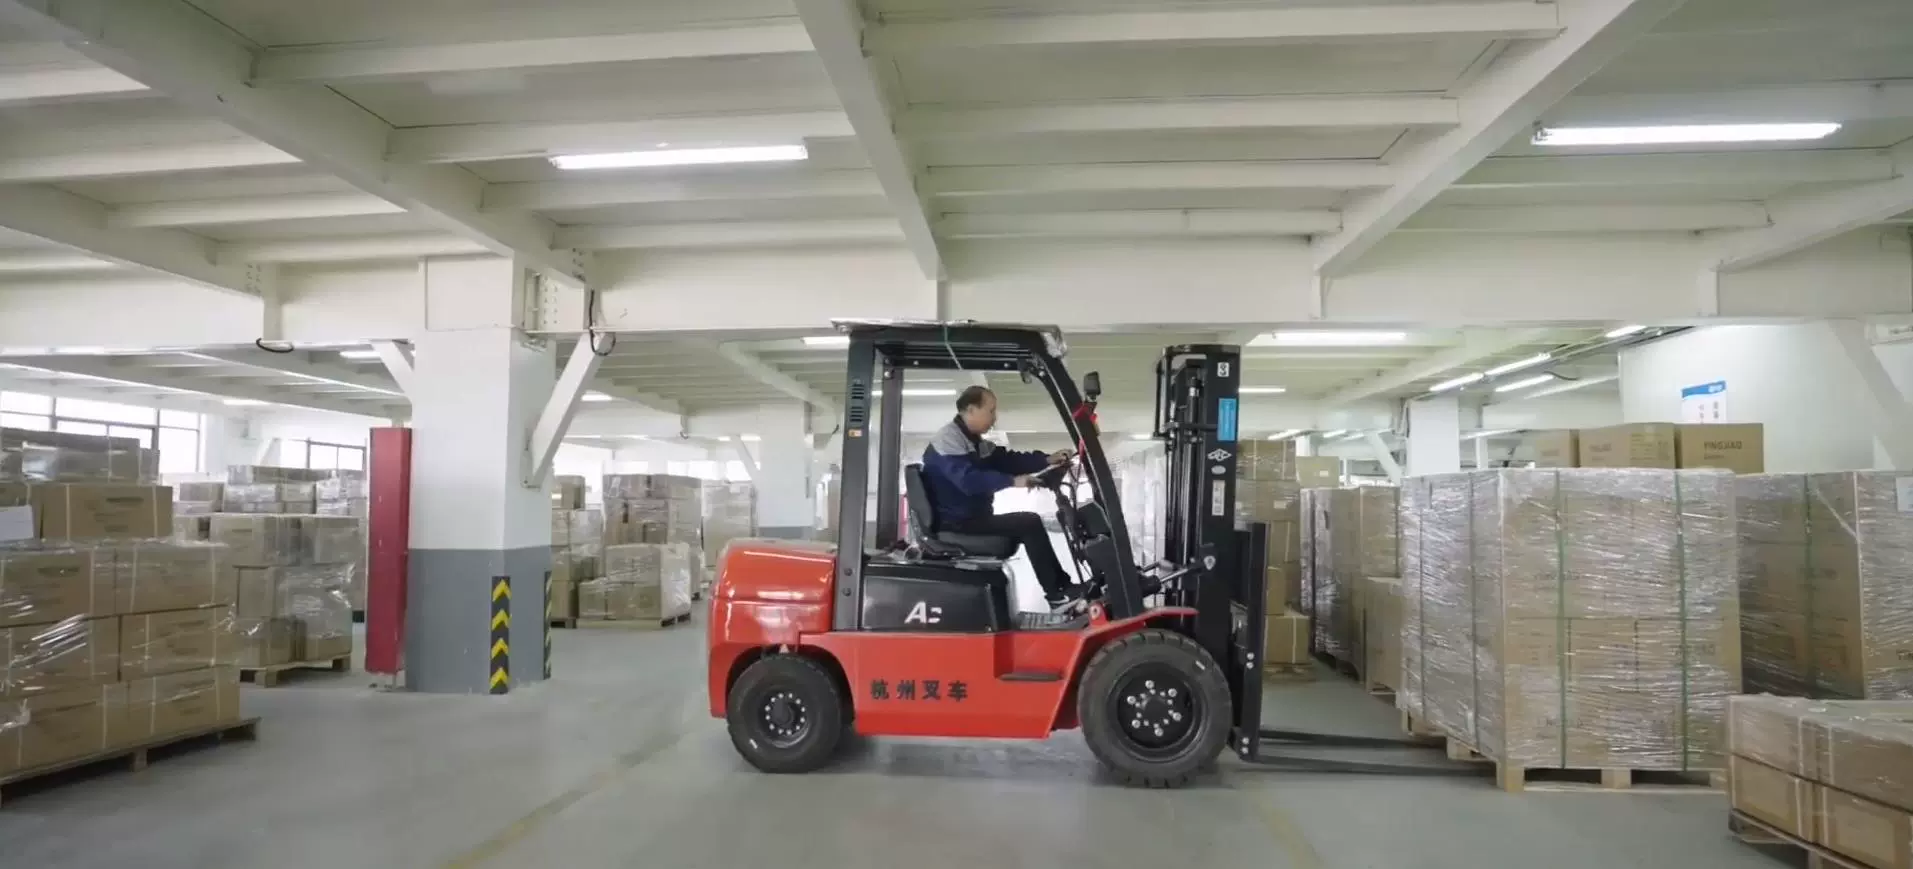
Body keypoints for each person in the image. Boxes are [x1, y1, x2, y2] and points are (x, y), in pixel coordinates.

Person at [921, 385, 1079, 606]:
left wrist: (1046, 460)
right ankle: (1058, 593)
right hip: (956, 523)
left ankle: (1061, 588)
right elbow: (968, 481)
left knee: (1028, 522)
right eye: (991, 411)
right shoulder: (948, 440)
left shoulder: (975, 442)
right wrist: (1012, 481)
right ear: (971, 410)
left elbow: (1008, 460)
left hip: (970, 518)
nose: (994, 418)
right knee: (1029, 522)